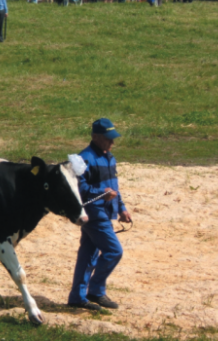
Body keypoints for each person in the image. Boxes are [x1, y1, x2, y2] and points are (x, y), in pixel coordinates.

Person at [68, 118, 132, 311]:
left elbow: (114, 186)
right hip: (94, 213)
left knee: (88, 254)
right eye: (108, 139)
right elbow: (80, 188)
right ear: (95, 137)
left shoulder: (109, 156)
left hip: (106, 211)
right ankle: (95, 291)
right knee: (114, 251)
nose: (112, 143)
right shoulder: (85, 159)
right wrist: (102, 194)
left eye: (113, 139)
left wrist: (121, 208)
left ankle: (77, 298)